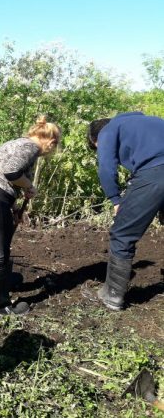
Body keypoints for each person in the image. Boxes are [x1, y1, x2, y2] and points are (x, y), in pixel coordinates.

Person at [0, 116, 60, 315]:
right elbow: (11, 172)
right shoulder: (31, 147)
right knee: (0, 253)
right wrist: (29, 186)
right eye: (54, 147)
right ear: (51, 142)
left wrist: (14, 207)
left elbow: (3, 177)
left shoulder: (17, 143)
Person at [86, 112, 164, 311]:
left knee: (122, 234)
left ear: (96, 139)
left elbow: (106, 167)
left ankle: (112, 295)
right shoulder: (150, 121)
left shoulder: (107, 131)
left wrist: (115, 199)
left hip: (155, 172)